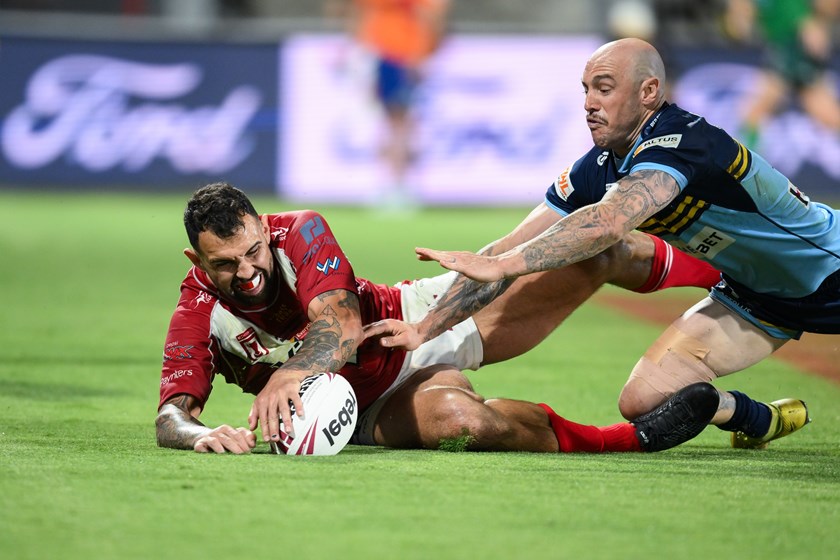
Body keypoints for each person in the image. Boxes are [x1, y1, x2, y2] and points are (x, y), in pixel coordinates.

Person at [367, 38, 829, 450]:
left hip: (829, 270)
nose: (589, 103)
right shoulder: (599, 165)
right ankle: (753, 416)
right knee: (643, 399)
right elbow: (502, 249)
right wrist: (424, 330)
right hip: (755, 299)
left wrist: (507, 264)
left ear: (648, 92)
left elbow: (608, 223)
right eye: (585, 89)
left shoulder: (682, 141)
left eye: (603, 88)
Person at [156, 182, 722, 454]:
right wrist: (200, 435)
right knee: (463, 424)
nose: (249, 272)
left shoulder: (298, 230)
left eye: (253, 251)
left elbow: (343, 326)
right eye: (226, 265)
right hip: (362, 410)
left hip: (412, 322)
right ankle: (633, 439)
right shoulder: (197, 313)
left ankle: (733, 275)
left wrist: (287, 374)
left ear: (263, 227)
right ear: (197, 261)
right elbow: (171, 418)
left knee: (592, 253)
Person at [324, 0, 450, 208]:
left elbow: (431, 16)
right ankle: (394, 184)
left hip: (397, 54)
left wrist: (421, 53)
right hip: (386, 54)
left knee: (399, 122)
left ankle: (398, 186)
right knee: (393, 122)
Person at [724, 0, 840, 149]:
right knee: (826, 113)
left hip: (793, 45)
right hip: (785, 46)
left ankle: (746, 165)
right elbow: (740, 22)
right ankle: (746, 163)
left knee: (757, 109)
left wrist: (807, 24)